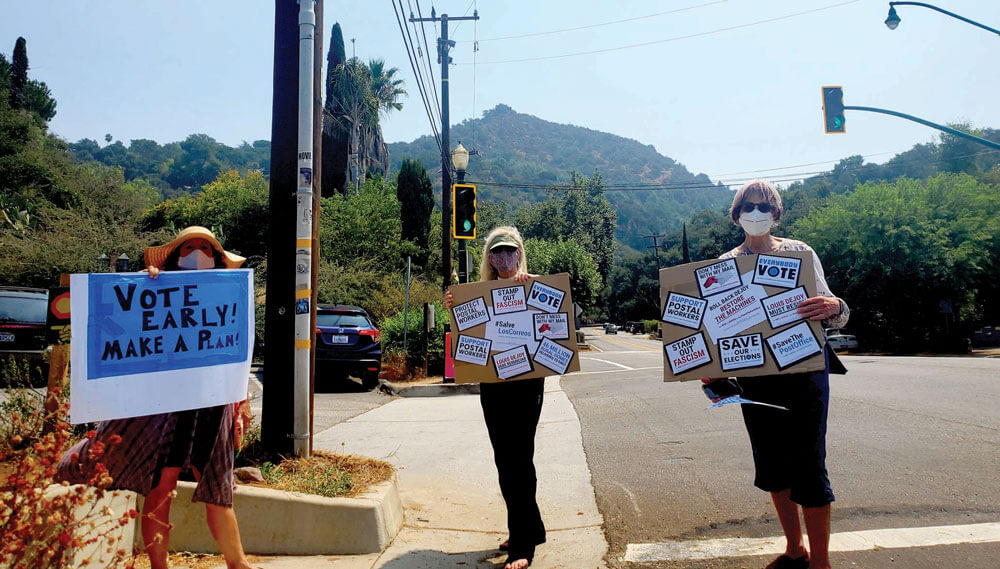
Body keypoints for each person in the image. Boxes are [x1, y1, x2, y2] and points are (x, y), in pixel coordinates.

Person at [58, 226, 258, 569]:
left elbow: (236, 354)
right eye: (189, 247)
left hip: (213, 406)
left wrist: (243, 401)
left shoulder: (228, 294)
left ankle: (238, 564)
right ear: (173, 257)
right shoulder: (155, 285)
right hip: (167, 408)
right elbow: (129, 315)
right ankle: (159, 566)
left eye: (205, 248)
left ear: (217, 257)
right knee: (161, 487)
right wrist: (145, 281)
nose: (198, 253)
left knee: (219, 488)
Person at [715, 180, 849, 569]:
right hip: (756, 377)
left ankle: (820, 562)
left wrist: (835, 305)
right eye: (748, 206)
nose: (756, 212)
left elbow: (835, 312)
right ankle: (795, 549)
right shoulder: (725, 264)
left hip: (805, 369)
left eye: (764, 206)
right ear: (737, 214)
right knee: (772, 465)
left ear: (776, 213)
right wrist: (709, 368)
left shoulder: (800, 252)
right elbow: (716, 332)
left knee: (810, 462)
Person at [444, 226, 544, 569]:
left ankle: (522, 546)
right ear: (489, 258)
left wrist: (536, 286)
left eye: (511, 251)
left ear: (520, 253)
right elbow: (470, 335)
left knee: (519, 458)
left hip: (527, 385)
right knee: (505, 459)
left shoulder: (533, 286)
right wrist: (454, 308)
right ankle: (529, 528)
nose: (505, 258)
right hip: (494, 386)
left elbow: (555, 321)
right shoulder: (478, 294)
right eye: (497, 252)